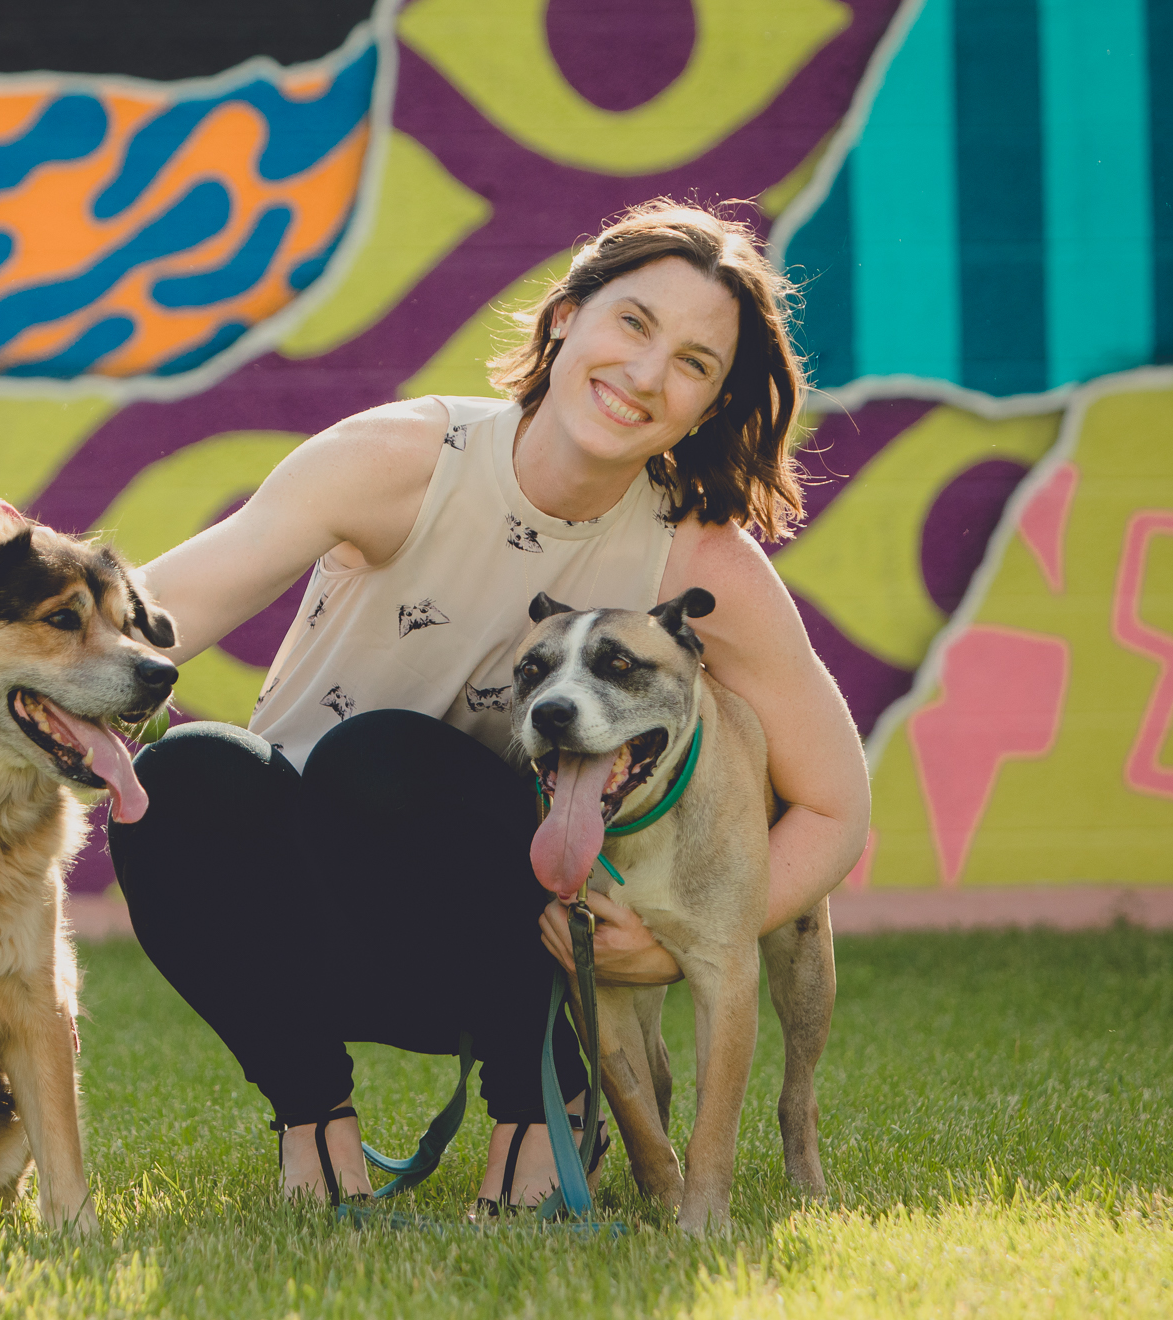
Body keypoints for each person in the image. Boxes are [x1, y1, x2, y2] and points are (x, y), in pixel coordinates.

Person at [109, 200, 870, 1213]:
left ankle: (542, 1103)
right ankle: (311, 1116)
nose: (647, 374)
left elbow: (834, 805)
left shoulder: (697, 561)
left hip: (521, 946)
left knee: (381, 758)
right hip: (310, 922)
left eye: (693, 364)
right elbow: (165, 615)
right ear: (566, 318)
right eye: (633, 324)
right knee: (181, 780)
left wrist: (700, 936)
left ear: (709, 406)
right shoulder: (403, 460)